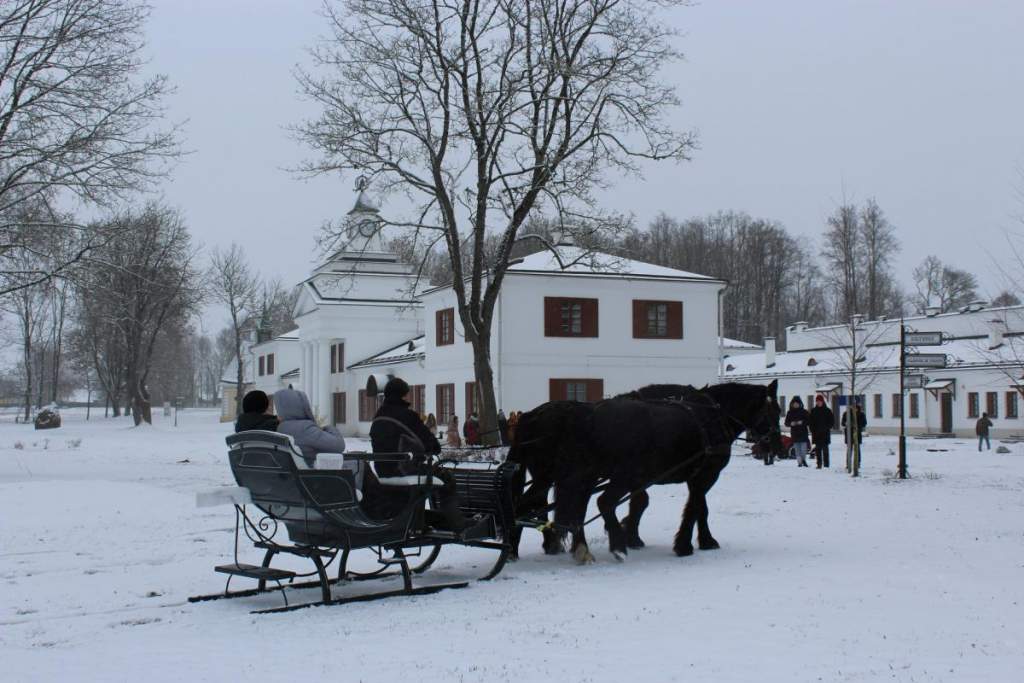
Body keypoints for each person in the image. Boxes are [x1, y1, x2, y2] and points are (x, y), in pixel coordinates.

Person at [369, 378, 483, 535]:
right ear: (402, 396)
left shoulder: (378, 417)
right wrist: (434, 447)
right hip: (406, 470)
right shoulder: (408, 416)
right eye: (407, 395)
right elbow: (429, 442)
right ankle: (457, 522)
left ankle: (420, 519)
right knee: (447, 479)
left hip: (383, 471)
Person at [274, 389, 354, 484]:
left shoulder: (281, 428)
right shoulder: (305, 428)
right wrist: (329, 427)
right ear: (301, 406)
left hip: (295, 479)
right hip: (314, 479)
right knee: (359, 465)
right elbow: (339, 445)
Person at [808, 395, 835, 469]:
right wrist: (812, 429)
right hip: (816, 434)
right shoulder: (813, 411)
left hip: (825, 434)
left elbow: (831, 422)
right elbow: (810, 422)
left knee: (825, 450)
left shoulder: (827, 411)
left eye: (820, 401)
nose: (818, 403)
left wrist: (826, 428)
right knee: (818, 450)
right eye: (817, 401)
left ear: (823, 402)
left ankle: (826, 465)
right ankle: (819, 464)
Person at [784, 397, 811, 467]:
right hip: (794, 433)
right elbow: (786, 423)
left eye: (797, 404)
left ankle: (803, 460)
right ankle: (799, 462)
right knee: (797, 448)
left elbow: (809, 421)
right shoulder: (789, 412)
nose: (795, 405)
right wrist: (791, 423)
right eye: (794, 404)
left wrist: (802, 422)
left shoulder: (804, 412)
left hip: (803, 432)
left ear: (800, 404)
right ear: (792, 404)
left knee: (803, 448)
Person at [841, 402, 867, 466]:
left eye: (855, 406)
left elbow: (864, 423)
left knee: (857, 449)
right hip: (849, 434)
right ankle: (848, 463)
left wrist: (857, 425)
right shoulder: (846, 413)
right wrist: (846, 423)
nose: (853, 408)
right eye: (852, 406)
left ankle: (857, 463)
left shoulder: (861, 414)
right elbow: (842, 423)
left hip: (857, 434)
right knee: (849, 449)